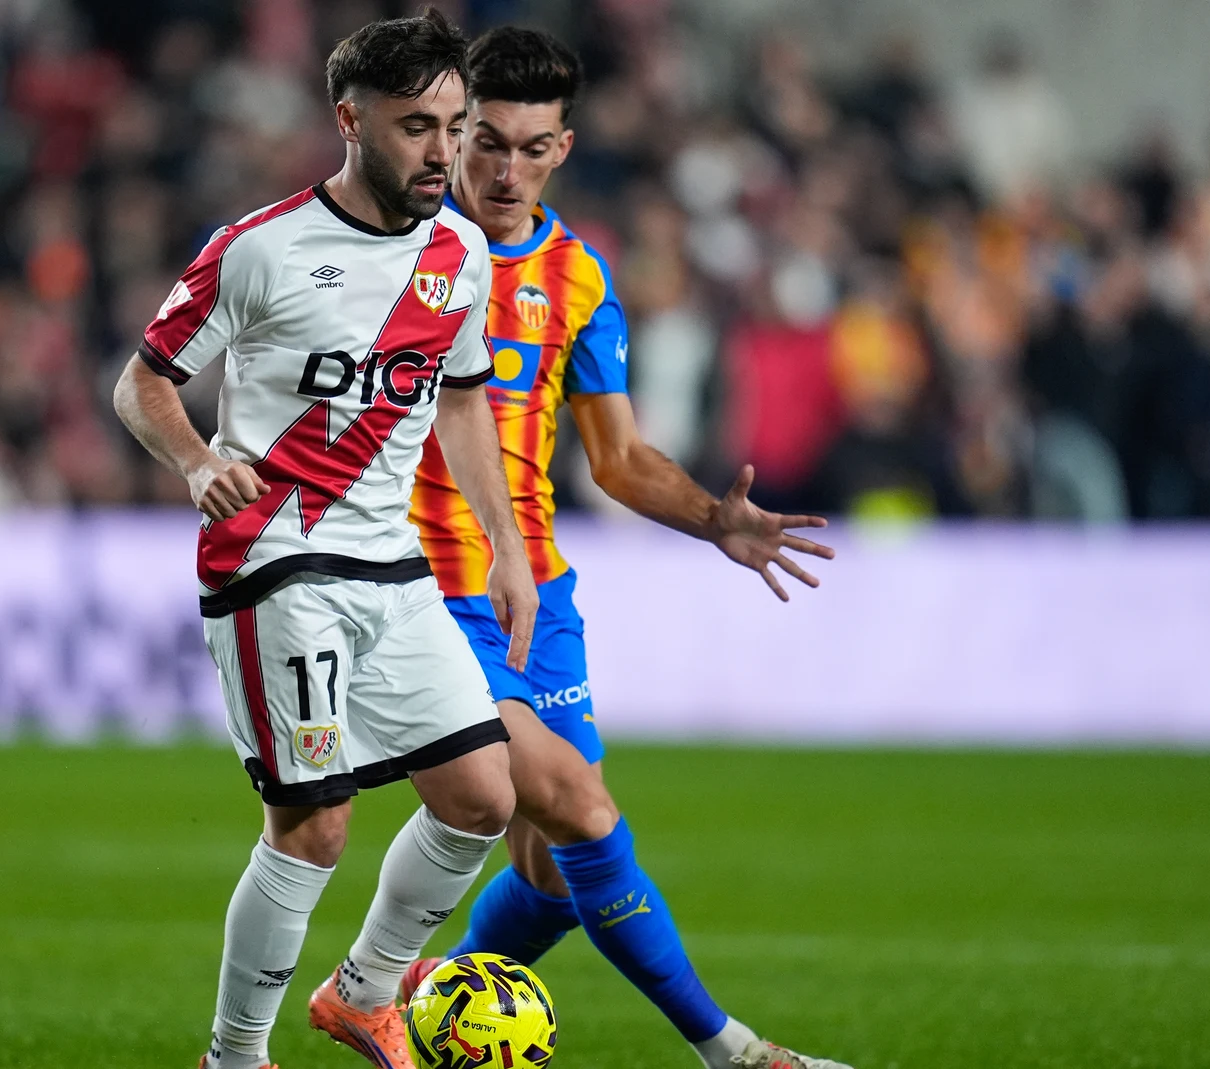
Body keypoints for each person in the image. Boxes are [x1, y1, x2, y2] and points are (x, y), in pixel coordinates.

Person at [401, 27, 850, 1069]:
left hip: (536, 601)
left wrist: (714, 518)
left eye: (531, 146)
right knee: (589, 816)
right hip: (423, 593)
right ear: (455, 134)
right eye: (487, 143)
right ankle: (734, 1051)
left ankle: (421, 1001)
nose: (505, 170)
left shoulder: (580, 279)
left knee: (556, 869)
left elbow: (616, 457)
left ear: (563, 148)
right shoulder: (400, 255)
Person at [112, 13, 539, 1069]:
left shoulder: (460, 254)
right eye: (415, 128)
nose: (443, 152)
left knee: (484, 797)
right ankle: (235, 1057)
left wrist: (505, 540)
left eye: (454, 124)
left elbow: (460, 399)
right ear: (349, 122)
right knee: (314, 824)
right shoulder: (259, 249)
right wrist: (201, 462)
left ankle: (362, 993)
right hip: (274, 558)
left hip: (389, 562)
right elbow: (142, 382)